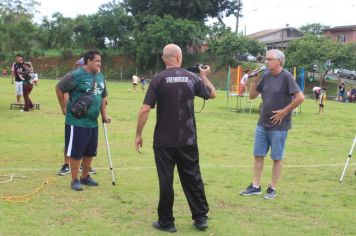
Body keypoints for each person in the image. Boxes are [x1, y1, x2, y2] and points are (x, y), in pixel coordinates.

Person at [135, 44, 216, 232]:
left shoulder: (158, 79)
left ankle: (166, 222)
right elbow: (212, 94)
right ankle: (200, 217)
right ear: (179, 56)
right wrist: (203, 76)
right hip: (187, 139)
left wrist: (139, 134)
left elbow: (145, 109)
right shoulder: (191, 77)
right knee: (193, 177)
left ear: (164, 59)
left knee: (166, 181)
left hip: (163, 141)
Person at [239, 49, 304, 200]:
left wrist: (284, 111)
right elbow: (252, 96)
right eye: (266, 59)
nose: (266, 61)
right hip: (262, 123)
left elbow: (300, 98)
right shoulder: (266, 75)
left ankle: (272, 188)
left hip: (279, 125)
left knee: (276, 157)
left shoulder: (286, 77)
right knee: (258, 155)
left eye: (270, 59)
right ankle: (255, 186)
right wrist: (255, 80)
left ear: (279, 61)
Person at [55, 50, 110, 191]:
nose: (99, 63)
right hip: (77, 121)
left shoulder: (100, 76)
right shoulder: (76, 75)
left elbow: (103, 97)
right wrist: (63, 107)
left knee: (90, 151)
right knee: (76, 151)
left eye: (100, 61)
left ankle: (85, 177)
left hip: (93, 121)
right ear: (88, 61)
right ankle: (74, 180)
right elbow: (59, 87)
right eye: (97, 61)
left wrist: (104, 115)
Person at [57, 56, 97, 176]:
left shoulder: (93, 76)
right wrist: (65, 107)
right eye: (79, 65)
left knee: (84, 142)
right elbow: (64, 92)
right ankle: (66, 165)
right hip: (74, 114)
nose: (80, 67)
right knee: (70, 142)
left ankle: (83, 165)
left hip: (88, 117)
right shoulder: (74, 76)